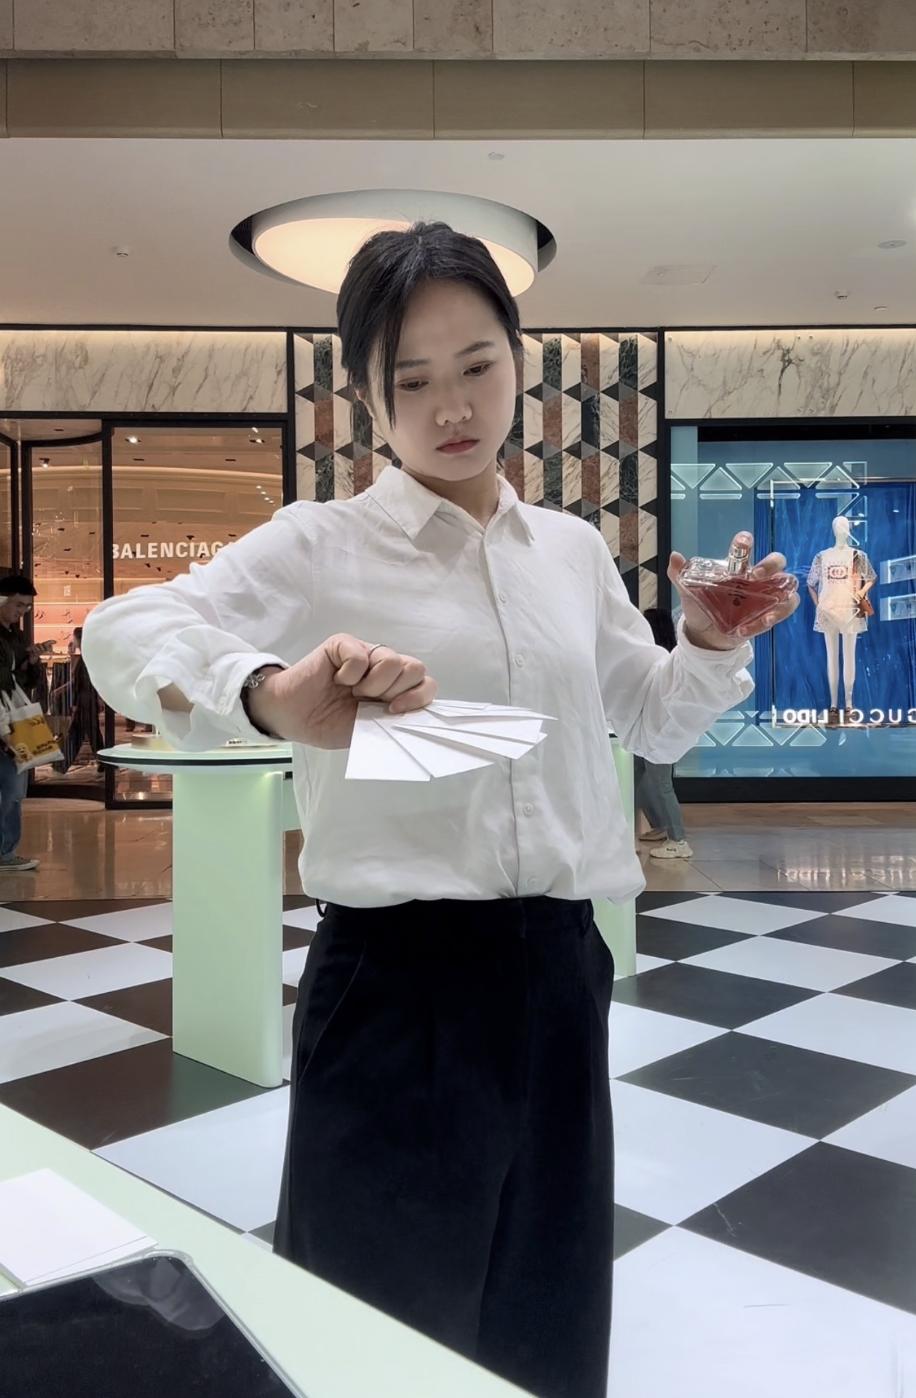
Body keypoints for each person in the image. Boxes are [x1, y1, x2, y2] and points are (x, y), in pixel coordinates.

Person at [82, 222, 798, 1398]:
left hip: (558, 973)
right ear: (369, 399)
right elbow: (123, 630)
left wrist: (710, 643)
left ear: (520, 361)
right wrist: (264, 694)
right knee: (376, 1338)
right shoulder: (321, 544)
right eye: (410, 381)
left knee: (544, 1322)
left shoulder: (568, 552)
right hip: (395, 986)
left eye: (476, 366)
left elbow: (653, 720)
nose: (452, 406)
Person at [635, 606, 693, 860]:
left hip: (660, 732)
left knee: (661, 783)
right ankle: (661, 825)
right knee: (636, 776)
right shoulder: (666, 657)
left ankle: (678, 840)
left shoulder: (663, 660)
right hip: (650, 729)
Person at [0, 573, 42, 872]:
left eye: (26, 607)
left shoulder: (16, 636)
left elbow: (22, 682)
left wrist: (31, 663)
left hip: (14, 717)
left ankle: (6, 852)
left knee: (14, 792)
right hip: (6, 718)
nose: (22, 612)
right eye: (18, 605)